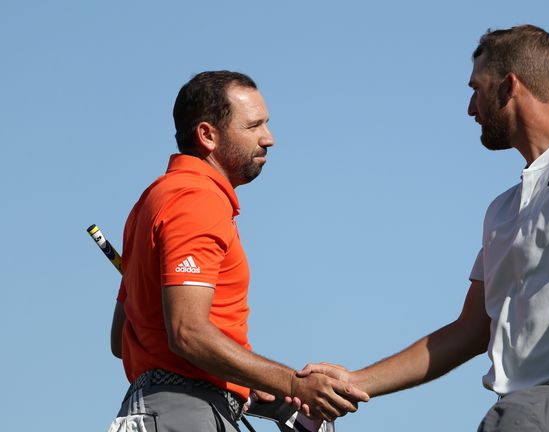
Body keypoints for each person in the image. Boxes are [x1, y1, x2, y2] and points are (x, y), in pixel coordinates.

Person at [299, 25, 549, 431]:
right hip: (522, 414)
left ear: (508, 87)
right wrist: (356, 381)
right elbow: (469, 330)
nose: (471, 108)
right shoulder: (500, 211)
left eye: (477, 89)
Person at [107, 71, 368, 432]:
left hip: (174, 408)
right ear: (207, 135)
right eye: (253, 126)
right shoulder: (195, 199)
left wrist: (248, 380)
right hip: (183, 414)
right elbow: (187, 332)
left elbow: (122, 338)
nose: (269, 138)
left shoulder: (156, 199)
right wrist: (292, 384)